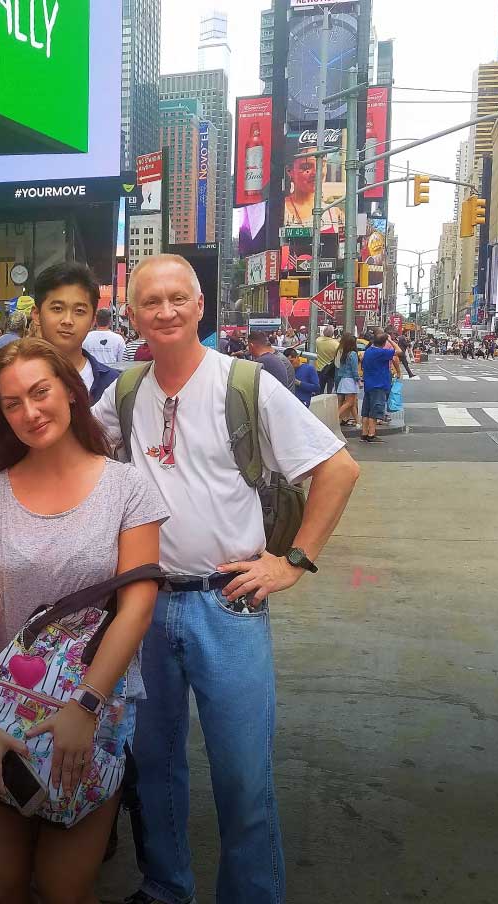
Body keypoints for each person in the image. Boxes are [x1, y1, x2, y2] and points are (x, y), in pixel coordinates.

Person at [89, 254, 359, 904]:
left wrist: (292, 561)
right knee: (154, 768)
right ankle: (166, 885)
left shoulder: (245, 382)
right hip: (146, 604)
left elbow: (339, 468)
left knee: (243, 778)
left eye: (178, 298)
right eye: (151, 301)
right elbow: (72, 448)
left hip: (227, 604)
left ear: (201, 305)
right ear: (133, 316)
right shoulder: (124, 393)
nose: (166, 311)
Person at [0, 338, 167, 901]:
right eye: (11, 403)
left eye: (40, 392)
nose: (29, 412)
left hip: (93, 715)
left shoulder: (127, 486)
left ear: (71, 393)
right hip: (5, 709)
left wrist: (86, 707)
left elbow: (139, 604)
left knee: (64, 891)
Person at [33, 262, 121, 403]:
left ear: (93, 320)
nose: (67, 320)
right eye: (57, 308)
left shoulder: (114, 386)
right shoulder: (15, 379)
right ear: (37, 314)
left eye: (79, 311)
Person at [283, 155, 344, 229]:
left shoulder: (335, 214)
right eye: (306, 167)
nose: (316, 173)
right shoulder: (278, 210)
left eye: (322, 165)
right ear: (289, 171)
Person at [360, 332, 397, 444]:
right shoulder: (380, 352)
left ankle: (364, 433)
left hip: (369, 384)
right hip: (379, 385)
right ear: (384, 342)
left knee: (366, 411)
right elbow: (399, 352)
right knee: (374, 412)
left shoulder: (369, 351)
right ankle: (371, 434)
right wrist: (390, 340)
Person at [334, 333, 361, 428]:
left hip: (343, 379)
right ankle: (335, 417)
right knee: (349, 402)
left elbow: (339, 368)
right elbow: (354, 370)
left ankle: (358, 422)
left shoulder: (343, 353)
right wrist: (358, 380)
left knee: (351, 403)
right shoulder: (353, 354)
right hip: (350, 381)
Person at [314, 325, 340, 393]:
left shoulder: (318, 341)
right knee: (329, 391)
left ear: (323, 332)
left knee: (319, 390)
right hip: (331, 370)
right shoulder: (336, 344)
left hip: (320, 369)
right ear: (332, 333)